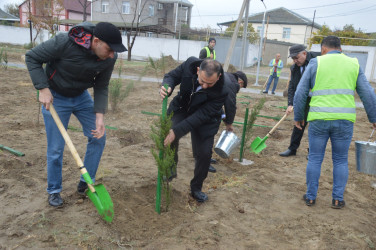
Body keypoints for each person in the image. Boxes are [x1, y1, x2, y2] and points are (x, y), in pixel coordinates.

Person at [25, 22, 127, 207]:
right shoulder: (64, 42)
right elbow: (32, 57)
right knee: (56, 148)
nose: (113, 54)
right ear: (96, 41)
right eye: (110, 49)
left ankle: (85, 183)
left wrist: (99, 116)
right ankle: (54, 190)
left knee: (98, 137)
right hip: (55, 96)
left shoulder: (109, 58)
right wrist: (42, 88)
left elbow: (101, 85)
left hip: (81, 97)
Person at [293, 35, 376, 209]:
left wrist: (298, 116)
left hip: (318, 119)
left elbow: (300, 92)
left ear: (323, 49)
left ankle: (310, 197)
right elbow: (367, 94)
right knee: (340, 160)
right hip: (344, 121)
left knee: (315, 158)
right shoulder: (353, 64)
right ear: (340, 49)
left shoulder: (317, 63)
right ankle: (337, 199)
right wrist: (374, 118)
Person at [159, 57, 227, 202]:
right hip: (182, 107)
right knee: (169, 131)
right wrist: (167, 86)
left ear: (219, 77)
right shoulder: (190, 65)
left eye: (210, 83)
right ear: (197, 71)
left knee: (204, 154)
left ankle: (196, 188)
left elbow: (200, 117)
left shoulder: (223, 90)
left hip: (206, 120)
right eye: (202, 81)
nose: (205, 86)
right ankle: (171, 166)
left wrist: (177, 131)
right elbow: (171, 76)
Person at [279, 45, 320, 158]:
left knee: (315, 125)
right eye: (293, 59)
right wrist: (290, 104)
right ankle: (292, 149)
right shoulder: (295, 68)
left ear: (304, 54)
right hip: (303, 98)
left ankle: (312, 152)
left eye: (297, 58)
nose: (295, 61)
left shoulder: (318, 58)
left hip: (318, 98)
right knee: (299, 122)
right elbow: (292, 87)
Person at [208, 71, 248, 173]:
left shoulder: (226, 77)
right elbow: (230, 105)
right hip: (207, 109)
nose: (239, 89)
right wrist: (229, 123)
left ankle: (203, 158)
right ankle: (204, 162)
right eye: (242, 86)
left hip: (205, 103)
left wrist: (224, 118)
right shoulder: (232, 84)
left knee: (203, 134)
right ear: (240, 81)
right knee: (208, 133)